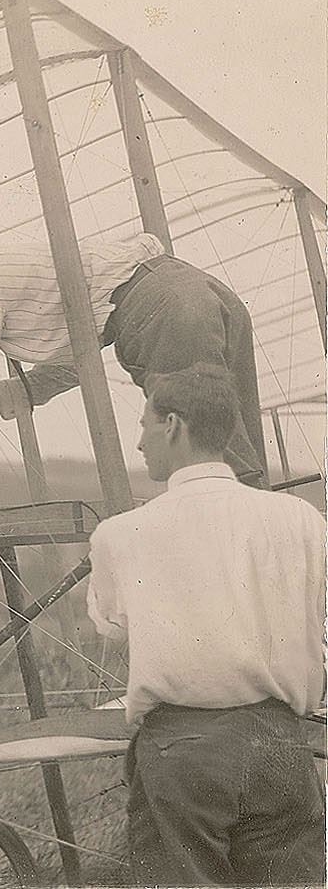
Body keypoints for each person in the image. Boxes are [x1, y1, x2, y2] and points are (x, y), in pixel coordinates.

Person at [85, 364, 326, 887]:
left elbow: (111, 624)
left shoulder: (120, 534)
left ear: (173, 425)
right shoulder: (302, 519)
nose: (140, 441)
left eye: (145, 424)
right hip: (280, 744)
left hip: (183, 752)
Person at [0, 232, 269, 528]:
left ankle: (243, 562)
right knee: (238, 454)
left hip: (165, 314)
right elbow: (77, 361)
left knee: (202, 460)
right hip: (196, 291)